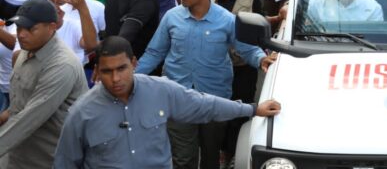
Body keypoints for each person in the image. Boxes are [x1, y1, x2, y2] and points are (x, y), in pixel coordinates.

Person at [53, 36, 281, 169]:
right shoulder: (81, 113)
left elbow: (205, 106)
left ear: (133, 63)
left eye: (121, 68)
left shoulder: (160, 90)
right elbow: (65, 162)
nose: (115, 79)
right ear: (96, 73)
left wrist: (252, 109)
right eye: (107, 71)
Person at [136, 0, 275, 169]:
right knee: (183, 158)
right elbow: (154, 53)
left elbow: (246, 48)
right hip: (177, 96)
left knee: (211, 155)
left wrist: (262, 59)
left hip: (215, 97)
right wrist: (133, 76)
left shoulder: (226, 19)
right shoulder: (171, 17)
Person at [0, 0, 88, 168]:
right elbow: (19, 106)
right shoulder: (27, 51)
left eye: (31, 29)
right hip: (17, 154)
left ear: (52, 27)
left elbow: (30, 117)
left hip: (48, 160)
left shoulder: (62, 65)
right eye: (19, 28)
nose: (21, 34)